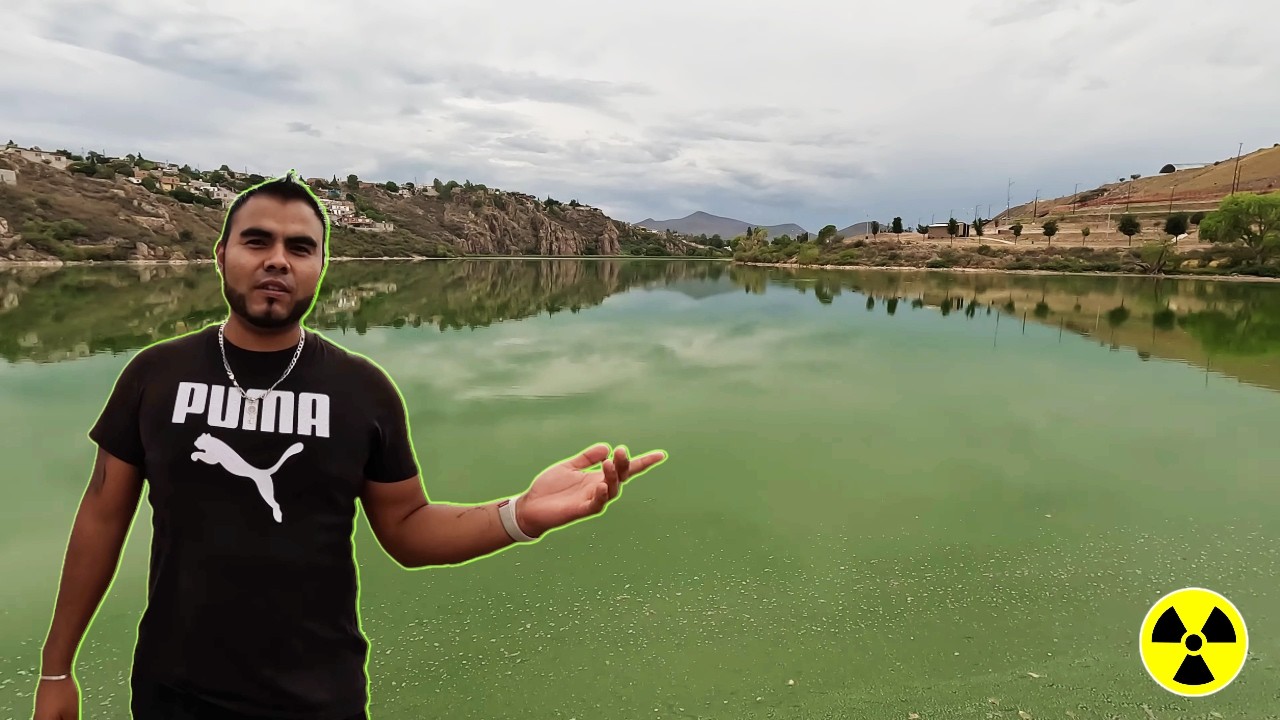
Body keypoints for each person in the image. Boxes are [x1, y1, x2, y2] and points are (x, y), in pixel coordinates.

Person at [31, 172, 667, 720]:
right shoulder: (154, 375)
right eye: (258, 241)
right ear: (221, 254)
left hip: (317, 697)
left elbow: (409, 530)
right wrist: (56, 669)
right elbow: (102, 514)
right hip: (173, 693)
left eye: (300, 247)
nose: (277, 259)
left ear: (319, 267)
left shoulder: (361, 391)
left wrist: (520, 515)